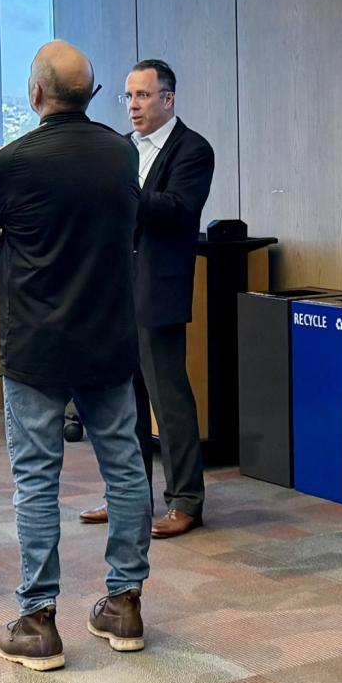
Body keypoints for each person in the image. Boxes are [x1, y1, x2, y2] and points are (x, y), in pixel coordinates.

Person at [0, 40, 150, 672]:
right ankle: (124, 604)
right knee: (125, 469)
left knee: (36, 478)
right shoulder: (121, 153)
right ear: (93, 96)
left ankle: (39, 619)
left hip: (37, 347)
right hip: (109, 340)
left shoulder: (10, 162)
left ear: (36, 94)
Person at [79, 59, 214, 538]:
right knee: (123, 404)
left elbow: (178, 211)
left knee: (167, 397)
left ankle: (186, 501)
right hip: (114, 291)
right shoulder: (120, 149)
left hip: (158, 290)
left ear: (168, 99)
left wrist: (124, 190)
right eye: (128, 97)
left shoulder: (193, 150)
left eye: (142, 96)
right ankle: (127, 500)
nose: (132, 106)